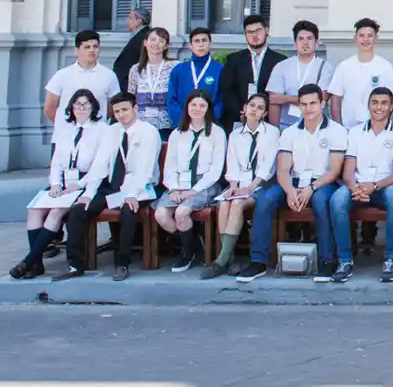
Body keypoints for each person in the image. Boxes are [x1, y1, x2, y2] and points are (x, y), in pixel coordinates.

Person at [235, 83, 347, 284]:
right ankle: (258, 261)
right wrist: (289, 191)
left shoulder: (337, 131)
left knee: (322, 202)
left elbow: (334, 170)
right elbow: (283, 169)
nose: (308, 108)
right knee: (265, 200)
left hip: (322, 183)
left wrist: (311, 189)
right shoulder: (290, 132)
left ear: (323, 104)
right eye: (303, 104)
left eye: (313, 103)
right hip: (293, 181)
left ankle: (327, 261)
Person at [55, 92, 161, 282]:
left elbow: (145, 170)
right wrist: (88, 194)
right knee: (79, 210)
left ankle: (122, 264)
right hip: (113, 188)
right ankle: (75, 264)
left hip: (140, 187)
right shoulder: (112, 131)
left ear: (135, 109)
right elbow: (100, 166)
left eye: (125, 110)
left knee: (128, 211)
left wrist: (131, 194)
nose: (121, 115)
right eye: (117, 111)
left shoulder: (148, 131)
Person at [13, 89, 105, 279]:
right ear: (71, 107)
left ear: (93, 106)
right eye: (77, 104)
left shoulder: (101, 129)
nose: (81, 108)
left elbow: (100, 165)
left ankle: (28, 261)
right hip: (63, 182)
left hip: (84, 183)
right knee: (35, 210)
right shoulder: (65, 129)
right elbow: (56, 162)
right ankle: (36, 264)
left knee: (56, 211)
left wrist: (79, 184)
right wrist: (55, 183)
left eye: (86, 104)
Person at [328, 87, 393, 282]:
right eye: (375, 102)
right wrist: (355, 187)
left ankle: (390, 259)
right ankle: (345, 260)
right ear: (369, 105)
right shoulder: (355, 132)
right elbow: (348, 170)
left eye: (384, 103)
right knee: (337, 200)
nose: (379, 107)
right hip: (358, 186)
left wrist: (375, 186)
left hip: (385, 187)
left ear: (391, 107)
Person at [200, 92, 279, 279]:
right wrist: (233, 186)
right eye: (252, 105)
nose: (255, 110)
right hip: (240, 184)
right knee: (225, 202)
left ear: (265, 113)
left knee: (237, 204)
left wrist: (250, 188)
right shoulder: (235, 134)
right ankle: (227, 256)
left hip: (260, 185)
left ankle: (221, 260)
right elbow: (232, 163)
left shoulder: (272, 133)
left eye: (260, 108)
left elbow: (269, 165)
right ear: (245, 108)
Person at [153, 89, 228, 271]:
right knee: (161, 215)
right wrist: (174, 189)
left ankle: (187, 252)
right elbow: (169, 167)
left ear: (208, 109)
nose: (197, 108)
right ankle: (193, 246)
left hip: (205, 184)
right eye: (193, 104)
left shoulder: (217, 133)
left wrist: (194, 191)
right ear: (187, 107)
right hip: (179, 183)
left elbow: (216, 171)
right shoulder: (177, 133)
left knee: (181, 212)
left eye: (202, 105)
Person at [216, 14, 284, 131]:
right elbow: (226, 90)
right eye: (249, 32)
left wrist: (262, 112)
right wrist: (243, 112)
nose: (254, 35)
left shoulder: (279, 61)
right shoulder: (233, 59)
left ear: (266, 31)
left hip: (269, 120)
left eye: (258, 30)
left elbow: (280, 93)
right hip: (239, 120)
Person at [327, 18, 393, 129]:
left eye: (370, 35)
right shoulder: (344, 67)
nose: (365, 39)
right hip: (348, 128)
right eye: (361, 35)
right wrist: (339, 128)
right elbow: (336, 100)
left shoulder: (386, 67)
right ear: (355, 38)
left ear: (376, 38)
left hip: (377, 129)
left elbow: (391, 99)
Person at [43, 30, 121, 128]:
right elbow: (49, 108)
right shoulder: (62, 75)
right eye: (87, 47)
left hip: (97, 136)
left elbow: (113, 107)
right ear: (77, 50)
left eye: (95, 46)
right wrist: (64, 126)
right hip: (66, 136)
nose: (92, 50)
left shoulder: (109, 75)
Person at [267, 21, 331, 129]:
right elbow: (273, 100)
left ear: (317, 43)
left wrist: (286, 98)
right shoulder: (281, 66)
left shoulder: (326, 68)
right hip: (285, 126)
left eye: (309, 39)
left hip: (316, 127)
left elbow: (322, 98)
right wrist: (275, 131)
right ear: (295, 44)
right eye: (301, 39)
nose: (305, 43)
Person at [166, 27, 223, 128]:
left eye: (204, 40)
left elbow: (221, 100)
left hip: (210, 126)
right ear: (190, 45)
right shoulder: (179, 70)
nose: (201, 44)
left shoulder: (220, 70)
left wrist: (209, 122)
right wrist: (182, 122)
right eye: (197, 41)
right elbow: (171, 99)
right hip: (183, 126)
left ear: (210, 43)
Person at [127, 26, 175, 134]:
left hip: (166, 125)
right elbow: (131, 97)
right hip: (141, 125)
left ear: (166, 45)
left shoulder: (174, 67)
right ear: (145, 42)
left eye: (161, 41)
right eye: (153, 40)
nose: (156, 44)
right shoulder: (135, 69)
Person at [112, 8, 152, 95]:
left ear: (139, 21)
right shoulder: (139, 35)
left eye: (130, 18)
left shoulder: (144, 36)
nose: (127, 21)